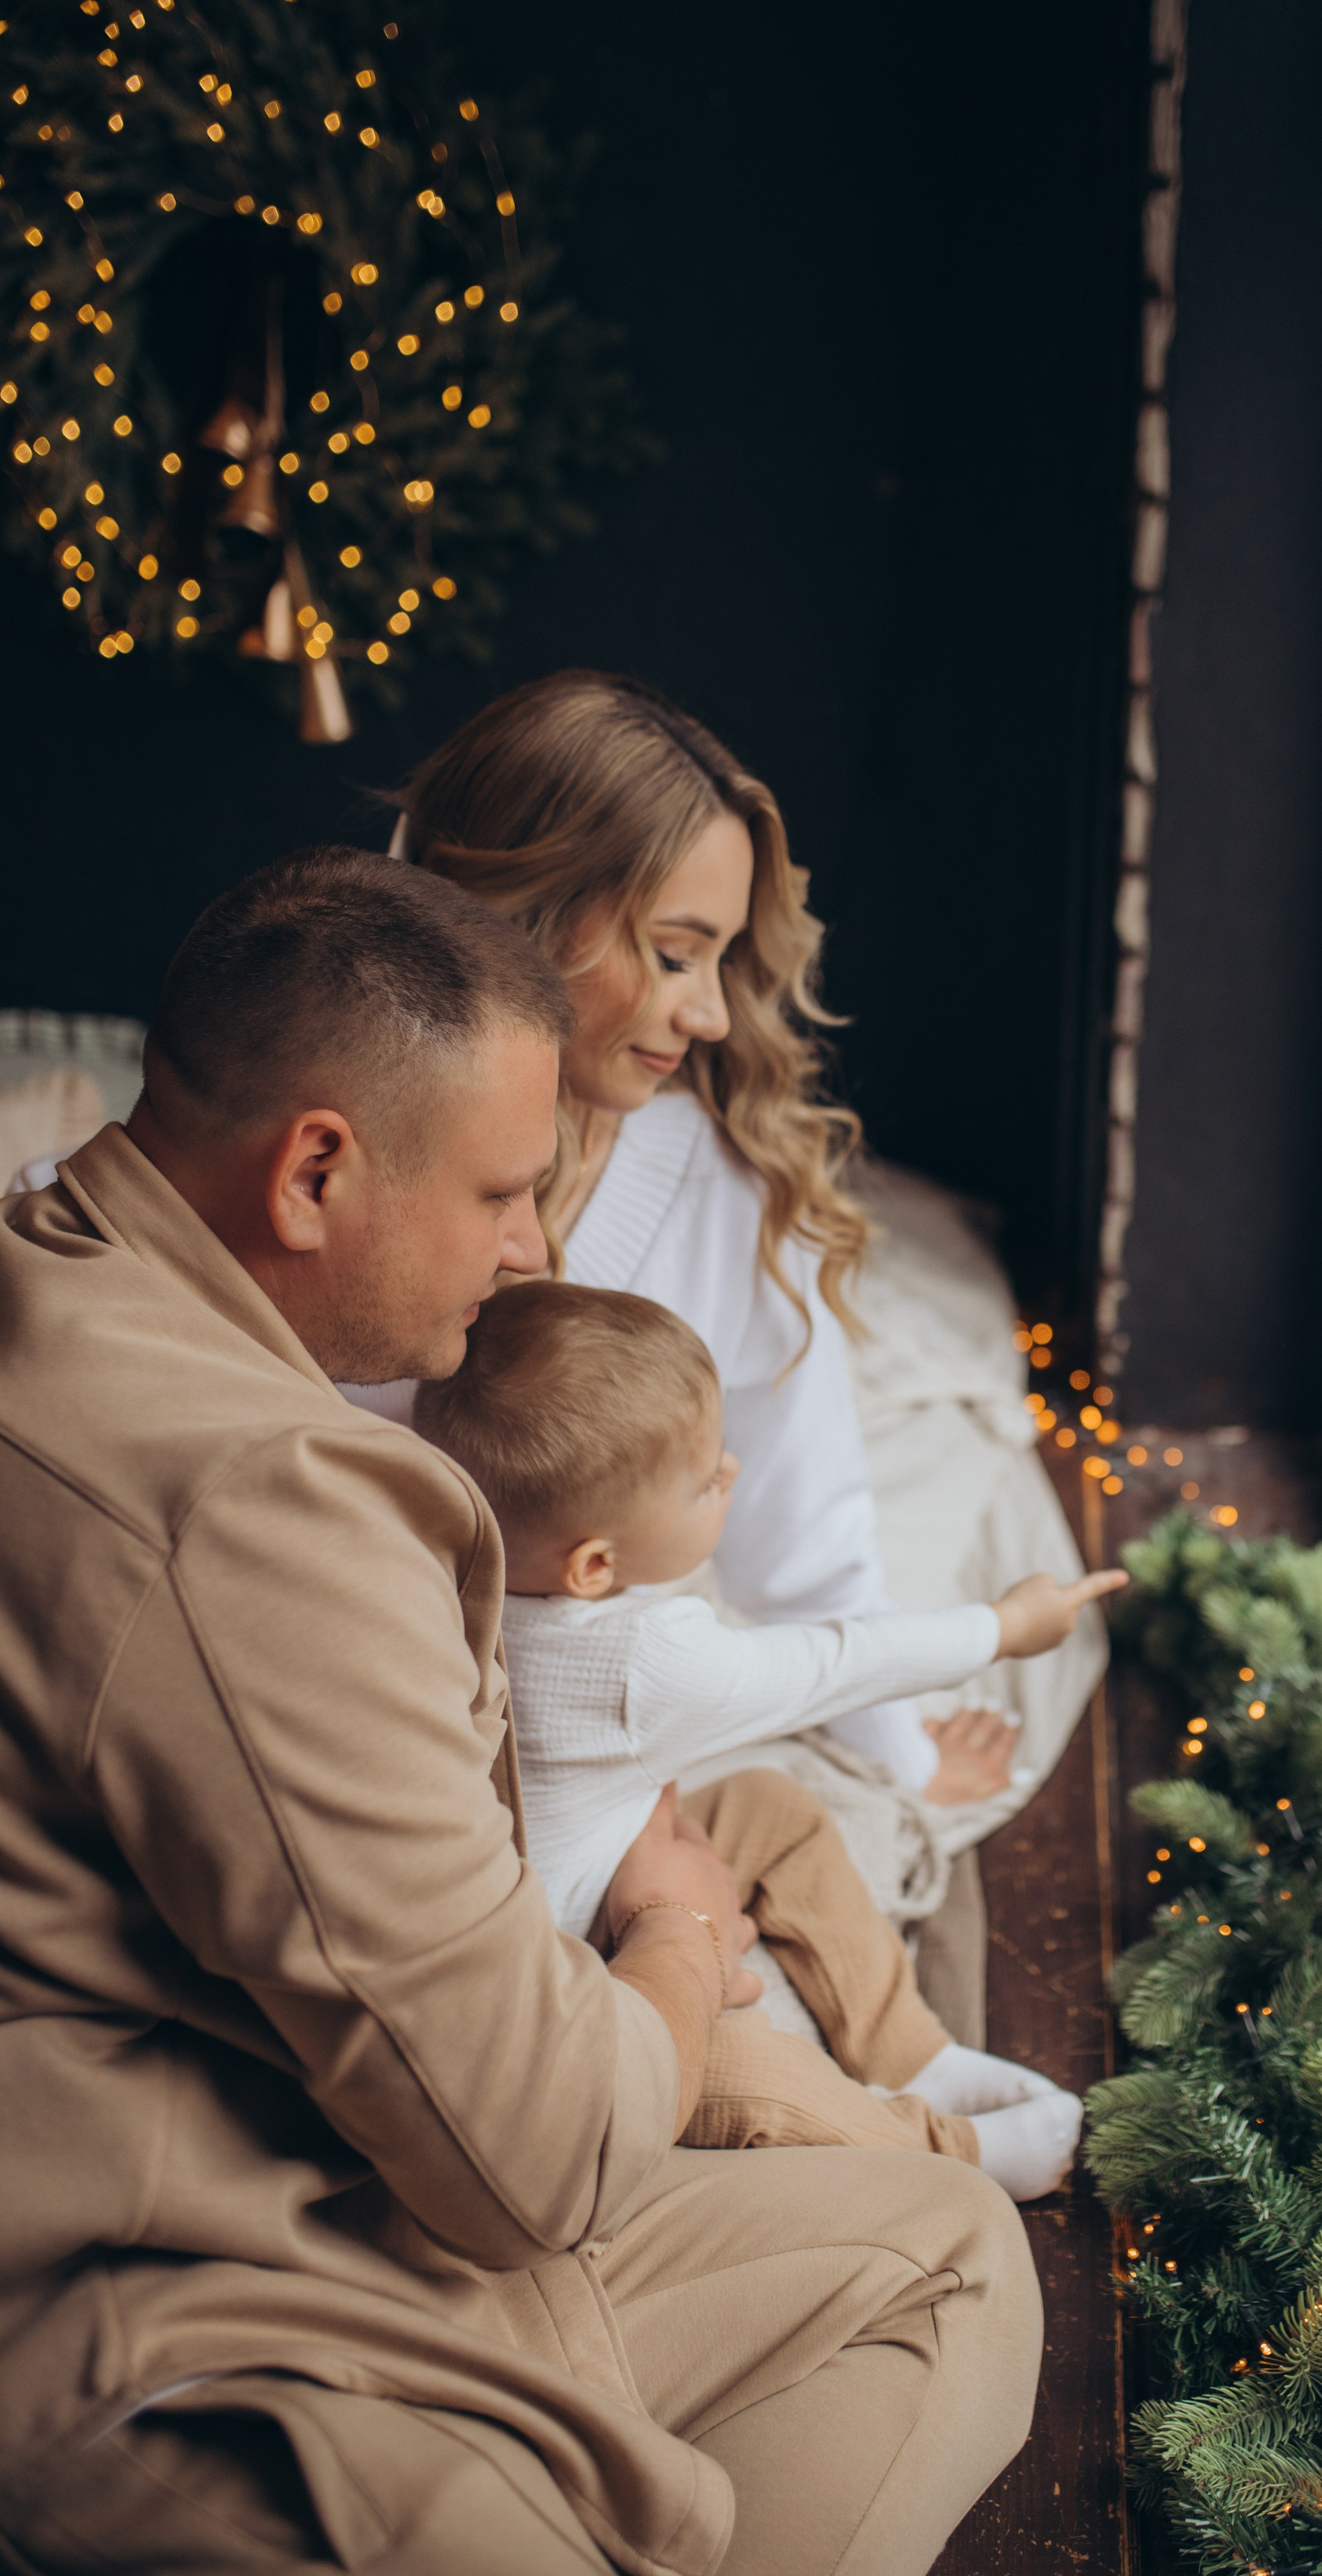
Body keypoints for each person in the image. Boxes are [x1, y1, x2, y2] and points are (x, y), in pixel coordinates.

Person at [0, 850, 1041, 2576]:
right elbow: (534, 2163)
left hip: (222, 2180)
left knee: (936, 2230)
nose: (534, 1246)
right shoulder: (267, 1506)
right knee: (947, 2261)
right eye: (501, 1193)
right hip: (184, 2310)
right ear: (318, 1168)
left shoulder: (48, 1261)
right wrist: (681, 1935)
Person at [361, 671, 1105, 1860]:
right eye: (674, 953)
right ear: (525, 913)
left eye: (721, 962)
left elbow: (810, 1548)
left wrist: (909, 1760)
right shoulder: (332, 1143)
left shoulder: (721, 1198)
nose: (710, 1014)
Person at [415, 1278, 1123, 2198]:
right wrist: (1001, 1628)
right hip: (580, 2001)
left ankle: (910, 2052)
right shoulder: (644, 1662)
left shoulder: (451, 1568)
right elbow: (835, 1661)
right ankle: (954, 2153)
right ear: (594, 1566)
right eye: (707, 1479)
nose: (735, 1473)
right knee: (754, 2078)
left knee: (768, 1808)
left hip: (594, 1879)